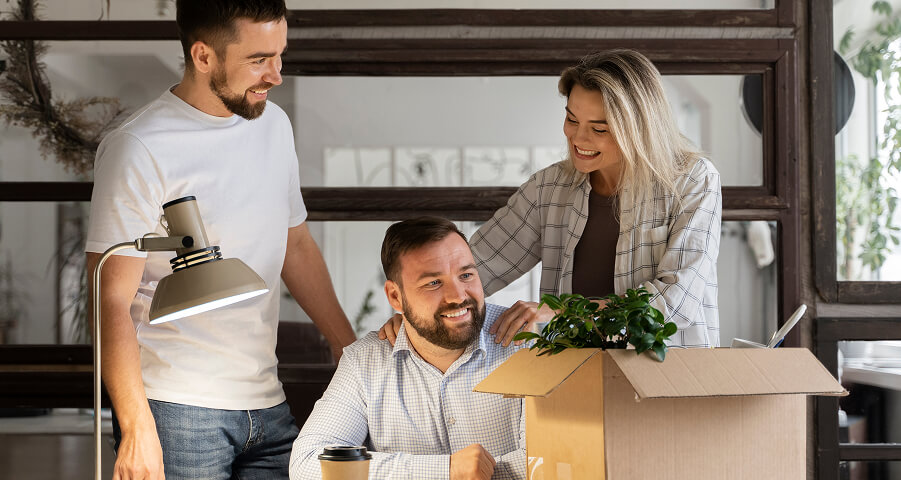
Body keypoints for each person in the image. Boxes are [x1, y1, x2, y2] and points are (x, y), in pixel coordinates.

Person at [85, 1, 356, 478]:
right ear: (203, 56)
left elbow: (294, 245)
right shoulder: (139, 146)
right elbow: (110, 299)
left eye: (280, 55)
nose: (276, 75)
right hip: (176, 410)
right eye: (258, 59)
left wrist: (348, 347)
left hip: (267, 402)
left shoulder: (274, 125)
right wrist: (136, 426)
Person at [381, 49, 721, 349]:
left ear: (640, 128)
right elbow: (478, 266)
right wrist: (420, 312)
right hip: (573, 381)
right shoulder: (549, 188)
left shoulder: (693, 180)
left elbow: (676, 303)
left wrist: (563, 313)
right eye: (571, 119)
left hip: (668, 384)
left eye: (599, 129)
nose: (578, 138)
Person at [290, 217, 526, 480]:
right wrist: (445, 470)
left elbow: (546, 459)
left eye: (466, 275)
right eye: (433, 283)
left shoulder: (526, 344)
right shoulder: (364, 362)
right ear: (395, 297)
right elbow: (308, 463)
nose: (458, 296)